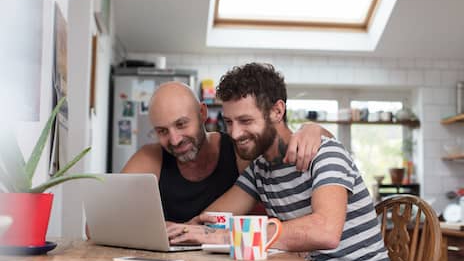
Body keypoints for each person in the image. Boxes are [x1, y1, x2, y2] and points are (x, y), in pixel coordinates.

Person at [167, 64, 396, 261]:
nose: (234, 134)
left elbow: (325, 231)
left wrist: (227, 237)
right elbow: (211, 219)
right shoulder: (260, 170)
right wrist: (173, 231)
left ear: (277, 111)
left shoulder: (325, 154)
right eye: (229, 122)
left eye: (246, 121)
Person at [122, 81, 332, 223]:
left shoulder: (241, 149)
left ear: (202, 113)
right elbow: (99, 223)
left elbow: (292, 149)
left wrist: (314, 129)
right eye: (162, 131)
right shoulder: (151, 157)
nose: (175, 139)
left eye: (182, 124)